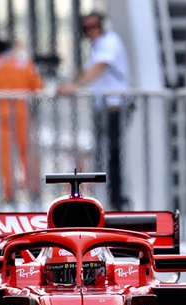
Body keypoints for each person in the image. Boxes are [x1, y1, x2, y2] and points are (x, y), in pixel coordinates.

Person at [58, 11, 131, 211]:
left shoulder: (110, 42)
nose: (90, 32)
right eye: (86, 29)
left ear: (102, 26)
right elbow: (88, 69)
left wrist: (76, 86)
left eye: (93, 27)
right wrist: (72, 84)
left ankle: (116, 200)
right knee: (103, 154)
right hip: (104, 106)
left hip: (114, 105)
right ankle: (108, 198)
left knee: (113, 155)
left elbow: (99, 67)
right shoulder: (98, 46)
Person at [0, 38, 44, 204]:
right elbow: (38, 87)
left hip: (3, 115)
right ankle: (34, 190)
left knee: (6, 157)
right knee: (28, 153)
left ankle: (9, 193)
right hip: (23, 114)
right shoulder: (24, 63)